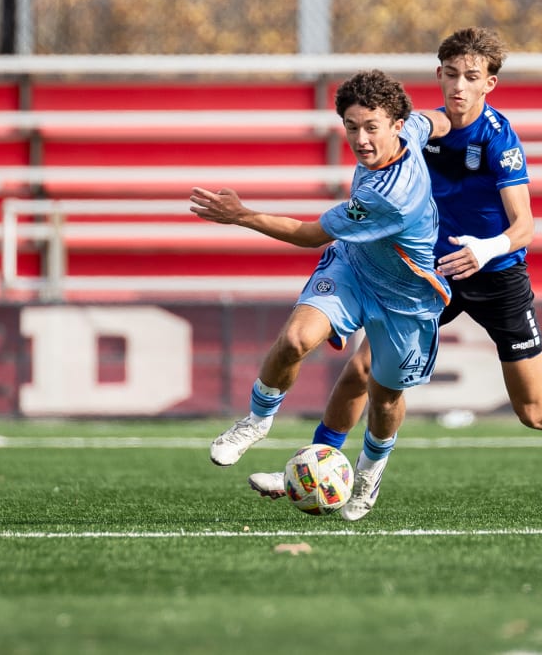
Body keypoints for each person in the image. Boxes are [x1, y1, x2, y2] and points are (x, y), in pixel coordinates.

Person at [247, 27, 542, 518]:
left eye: (471, 76)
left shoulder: (499, 140)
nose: (459, 86)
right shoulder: (421, 128)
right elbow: (407, 138)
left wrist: (488, 249)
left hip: (496, 274)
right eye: (450, 74)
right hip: (432, 276)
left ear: (490, 84)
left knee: (535, 409)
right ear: (437, 76)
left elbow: (525, 226)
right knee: (360, 372)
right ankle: (318, 465)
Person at [193, 69, 452, 522]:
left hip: (406, 298)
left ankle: (368, 474)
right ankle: (256, 421)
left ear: (393, 124)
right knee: (295, 340)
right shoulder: (410, 126)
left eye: (371, 127)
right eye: (352, 127)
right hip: (353, 266)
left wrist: (241, 215)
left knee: (384, 395)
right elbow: (438, 121)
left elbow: (308, 234)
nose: (361, 139)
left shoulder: (390, 196)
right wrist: (464, 120)